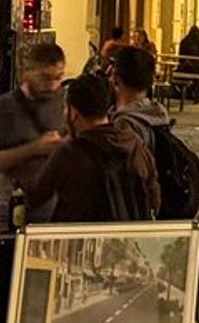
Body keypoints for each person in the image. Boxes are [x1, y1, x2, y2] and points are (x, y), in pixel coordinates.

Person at [28, 73, 158, 223]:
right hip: (125, 242)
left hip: (76, 241)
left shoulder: (69, 153)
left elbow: (35, 197)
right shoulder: (134, 145)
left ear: (74, 113)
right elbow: (154, 200)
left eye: (65, 108)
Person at [0, 40, 68, 219]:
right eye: (45, 78)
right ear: (28, 73)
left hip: (56, 207)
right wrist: (34, 149)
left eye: (58, 78)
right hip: (15, 206)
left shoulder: (64, 102)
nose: (52, 85)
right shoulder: (4, 108)